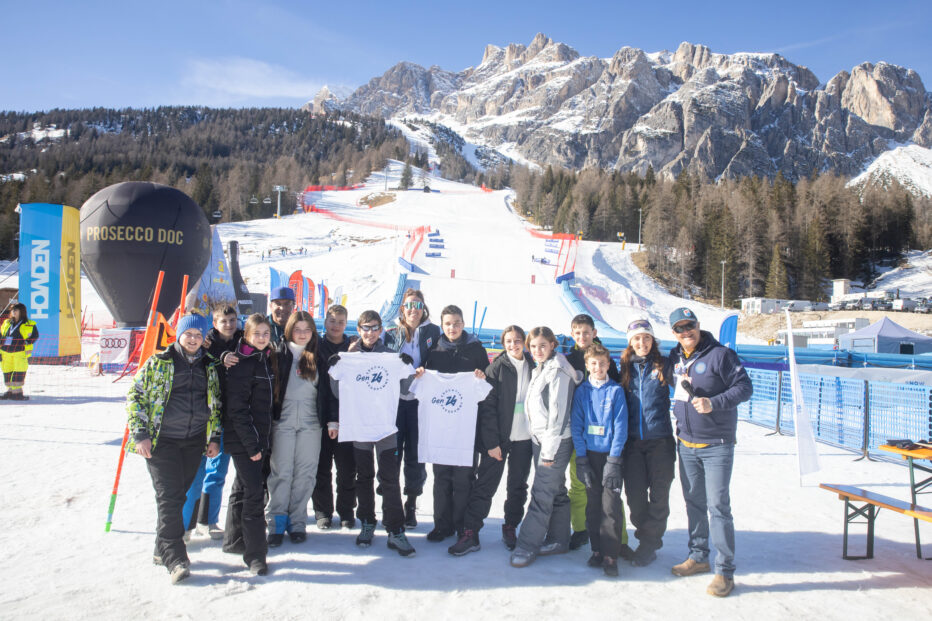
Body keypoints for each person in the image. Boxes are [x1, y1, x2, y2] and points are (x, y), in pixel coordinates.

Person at [125, 312, 221, 584]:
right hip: (161, 440)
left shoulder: (210, 367)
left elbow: (216, 405)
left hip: (193, 441)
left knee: (177, 495)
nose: (193, 339)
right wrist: (140, 433)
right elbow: (135, 396)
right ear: (178, 335)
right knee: (169, 497)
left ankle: (160, 548)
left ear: (204, 339)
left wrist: (213, 437)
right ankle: (175, 557)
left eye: (198, 335)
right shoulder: (159, 362)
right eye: (188, 334)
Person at [667, 307, 752, 598]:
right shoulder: (675, 357)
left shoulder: (721, 355)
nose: (685, 332)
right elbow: (671, 381)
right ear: (674, 333)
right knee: (693, 503)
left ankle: (724, 571)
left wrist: (714, 403)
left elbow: (744, 387)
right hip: (686, 442)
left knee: (718, 507)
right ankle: (698, 556)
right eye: (679, 329)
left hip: (716, 443)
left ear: (698, 326)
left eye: (689, 326)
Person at [328, 310, 417, 557]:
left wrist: (408, 368)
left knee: (389, 478)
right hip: (360, 426)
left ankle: (395, 528)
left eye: (374, 327)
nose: (369, 332)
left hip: (385, 426)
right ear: (359, 330)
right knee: (364, 477)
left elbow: (405, 388)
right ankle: (367, 521)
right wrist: (336, 367)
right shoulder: (349, 358)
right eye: (365, 328)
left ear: (380, 330)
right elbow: (337, 391)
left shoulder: (390, 357)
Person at [453, 325, 534, 555]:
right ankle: (471, 532)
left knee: (517, 486)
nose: (513, 345)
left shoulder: (534, 365)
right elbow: (487, 410)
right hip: (499, 439)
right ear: (503, 343)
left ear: (524, 342)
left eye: (517, 340)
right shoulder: (496, 369)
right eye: (508, 341)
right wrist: (491, 444)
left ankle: (510, 525)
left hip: (524, 437)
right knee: (485, 484)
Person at [510, 326, 582, 568]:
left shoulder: (558, 371)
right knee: (556, 490)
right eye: (533, 346)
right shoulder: (541, 368)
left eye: (542, 345)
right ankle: (559, 539)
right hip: (541, 439)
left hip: (555, 441)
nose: (537, 350)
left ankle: (526, 545)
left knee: (541, 493)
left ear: (553, 345)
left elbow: (559, 416)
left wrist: (549, 452)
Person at [417, 304, 489, 545]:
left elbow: (487, 382)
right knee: (441, 477)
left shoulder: (476, 349)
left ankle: (461, 525)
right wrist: (420, 375)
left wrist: (482, 376)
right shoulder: (434, 350)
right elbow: (425, 380)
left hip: (466, 427)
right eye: (447, 324)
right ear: (442, 324)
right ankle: (441, 525)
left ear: (463, 324)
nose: (452, 328)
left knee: (463, 478)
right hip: (441, 426)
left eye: (456, 323)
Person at [221, 314, 277, 576]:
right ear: (247, 336)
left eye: (266, 333)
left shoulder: (261, 359)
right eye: (258, 334)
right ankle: (256, 555)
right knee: (255, 493)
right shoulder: (243, 364)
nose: (263, 338)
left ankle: (234, 539)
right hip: (246, 440)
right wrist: (253, 445)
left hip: (257, 437)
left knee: (242, 487)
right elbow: (237, 410)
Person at [267, 311, 328, 546]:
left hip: (311, 423)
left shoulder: (317, 356)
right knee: (281, 472)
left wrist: (330, 420)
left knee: (305, 473)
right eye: (297, 329)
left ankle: (297, 522)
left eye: (307, 330)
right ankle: (276, 522)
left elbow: (327, 392)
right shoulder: (277, 353)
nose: (302, 334)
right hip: (283, 421)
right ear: (289, 330)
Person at [181, 305, 240, 540]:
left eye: (232, 320)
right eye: (223, 321)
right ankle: (186, 525)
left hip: (226, 417)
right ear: (214, 323)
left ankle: (208, 520)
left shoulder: (242, 342)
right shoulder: (205, 345)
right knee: (194, 475)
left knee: (217, 472)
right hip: (200, 420)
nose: (228, 324)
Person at [382, 289, 441, 527]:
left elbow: (443, 355)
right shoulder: (391, 333)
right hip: (395, 402)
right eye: (409, 305)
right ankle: (390, 503)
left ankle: (411, 504)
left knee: (416, 456)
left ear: (423, 308)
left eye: (417, 305)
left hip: (420, 402)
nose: (413, 310)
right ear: (402, 308)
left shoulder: (433, 332)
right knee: (392, 453)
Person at [620, 318, 675, 568]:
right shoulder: (624, 368)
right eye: (637, 338)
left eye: (646, 337)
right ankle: (645, 537)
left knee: (659, 496)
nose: (642, 342)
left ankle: (649, 544)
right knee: (635, 497)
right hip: (632, 444)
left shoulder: (664, 365)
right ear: (630, 342)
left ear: (653, 340)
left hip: (660, 441)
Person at [564, 313, 622, 551]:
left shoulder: (605, 358)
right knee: (579, 485)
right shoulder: (568, 360)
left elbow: (617, 390)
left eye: (586, 333)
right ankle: (581, 529)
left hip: (605, 436)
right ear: (572, 334)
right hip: (579, 432)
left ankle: (619, 539)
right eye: (577, 333)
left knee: (611, 490)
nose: (582, 337)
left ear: (594, 333)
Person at [570, 343, 628, 577]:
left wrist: (614, 460)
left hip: (610, 456)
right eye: (593, 364)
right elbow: (577, 426)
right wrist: (582, 459)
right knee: (593, 506)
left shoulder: (615, 391)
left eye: (602, 363)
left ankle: (611, 555)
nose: (598, 367)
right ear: (587, 365)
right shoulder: (582, 392)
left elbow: (620, 427)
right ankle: (596, 550)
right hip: (589, 456)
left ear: (608, 364)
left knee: (610, 506)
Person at [312, 304, 358, 530]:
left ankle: (347, 510)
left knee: (347, 468)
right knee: (321, 467)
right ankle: (323, 511)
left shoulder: (354, 348)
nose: (336, 326)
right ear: (325, 322)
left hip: (347, 416)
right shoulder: (316, 346)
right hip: (320, 415)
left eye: (341, 322)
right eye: (332, 321)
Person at [0, 302, 39, 400]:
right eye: (12, 310)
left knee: (19, 371)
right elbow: (1, 335)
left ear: (22, 311)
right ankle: (10, 391)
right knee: (7, 370)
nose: (13, 312)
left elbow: (35, 336)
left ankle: (17, 393)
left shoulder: (29, 324)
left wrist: (26, 342)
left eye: (15, 310)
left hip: (20, 351)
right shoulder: (7, 323)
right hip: (5, 351)